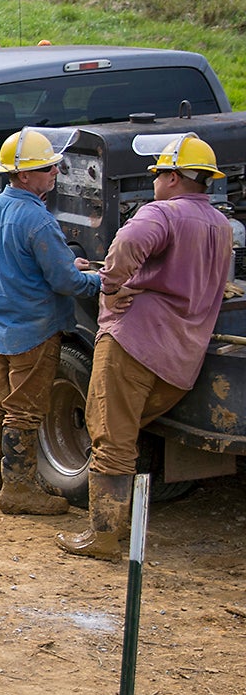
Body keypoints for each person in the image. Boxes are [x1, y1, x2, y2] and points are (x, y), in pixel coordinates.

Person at [59, 133, 235, 559]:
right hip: (181, 358)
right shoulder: (221, 225)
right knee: (125, 432)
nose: (154, 181)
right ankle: (115, 527)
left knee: (111, 437)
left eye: (158, 174)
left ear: (174, 177)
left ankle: (103, 536)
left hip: (133, 343)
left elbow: (128, 244)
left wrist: (112, 283)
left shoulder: (162, 213)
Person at [0, 129, 102, 516]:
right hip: (35, 332)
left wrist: (64, 261)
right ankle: (19, 490)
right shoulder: (39, 220)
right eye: (48, 168)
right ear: (24, 175)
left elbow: (16, 260)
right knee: (25, 411)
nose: (56, 173)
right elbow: (67, 282)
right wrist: (99, 279)